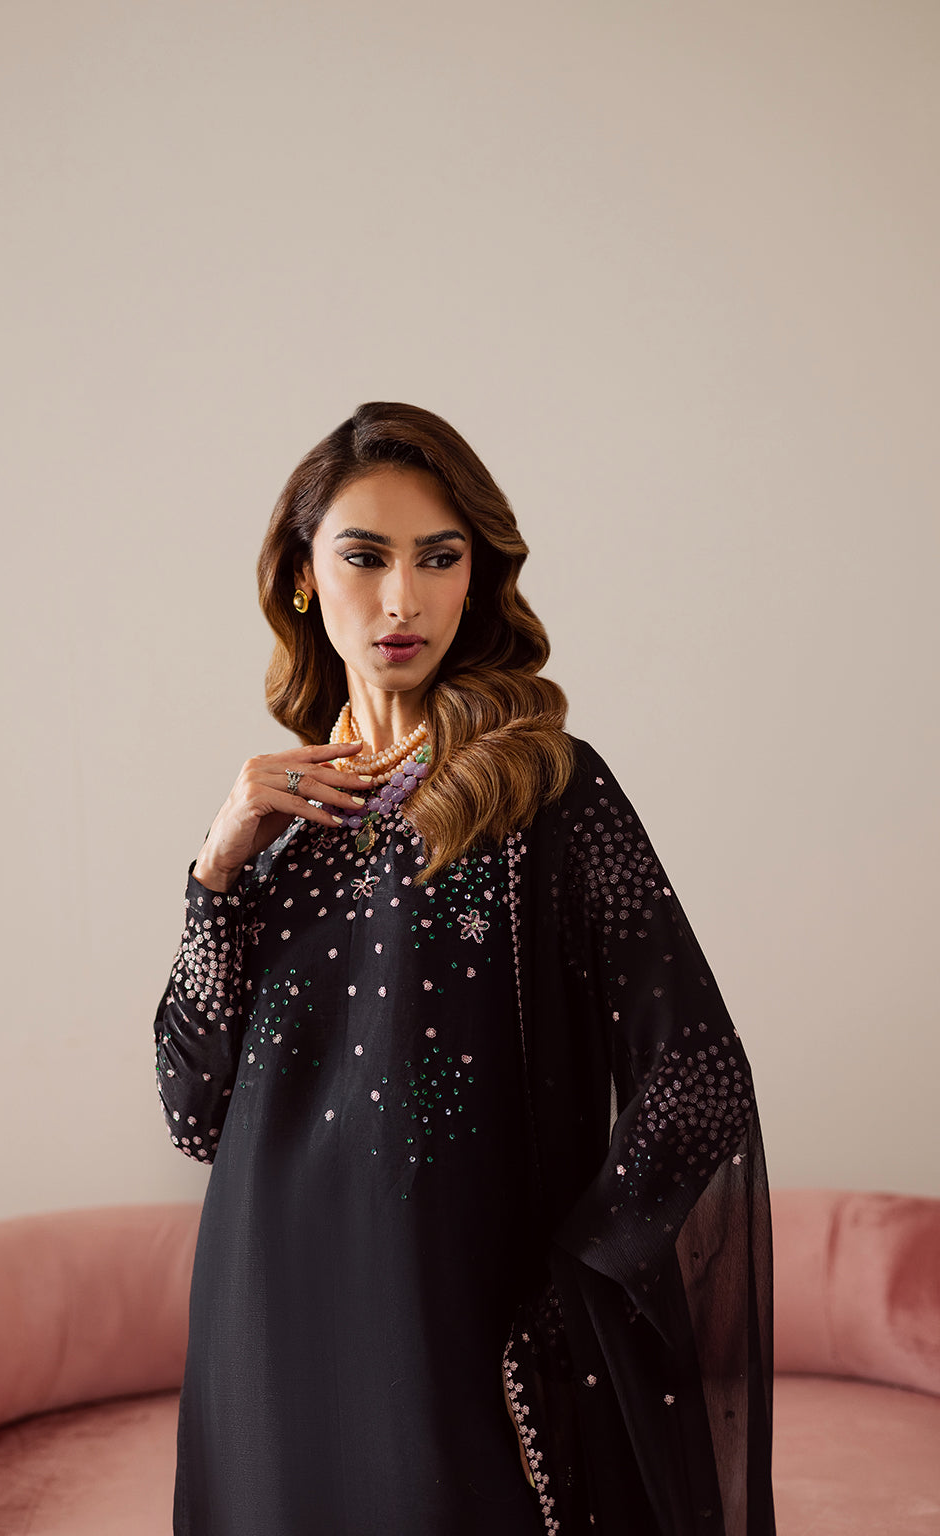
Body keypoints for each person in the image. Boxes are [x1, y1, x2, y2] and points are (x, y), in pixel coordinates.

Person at [153, 402, 775, 1536]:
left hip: (454, 1340)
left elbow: (697, 1075)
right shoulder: (274, 835)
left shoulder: (546, 791)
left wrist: (568, 1296)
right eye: (364, 557)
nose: (402, 599)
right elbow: (195, 1116)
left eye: (438, 559)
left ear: (476, 580)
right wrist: (215, 873)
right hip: (264, 1335)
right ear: (301, 578)